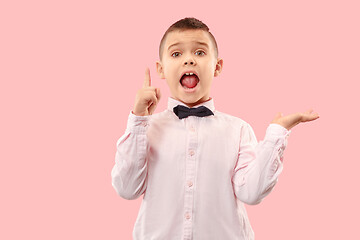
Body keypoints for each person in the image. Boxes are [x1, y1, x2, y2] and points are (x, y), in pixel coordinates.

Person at [111, 17, 319, 240]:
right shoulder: (145, 129)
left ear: (217, 66)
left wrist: (276, 134)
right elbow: (127, 188)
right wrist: (138, 120)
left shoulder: (238, 130)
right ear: (161, 69)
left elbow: (251, 193)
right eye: (176, 54)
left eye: (200, 53)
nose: (189, 60)